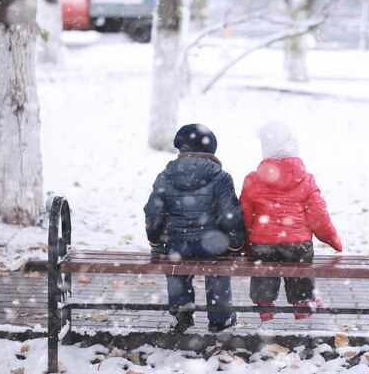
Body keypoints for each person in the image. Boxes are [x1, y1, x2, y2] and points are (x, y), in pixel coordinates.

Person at [144, 124, 245, 333]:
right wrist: (235, 245)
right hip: (213, 243)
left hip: (177, 242)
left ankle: (181, 314)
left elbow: (153, 213)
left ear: (181, 149)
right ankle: (220, 317)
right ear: (212, 150)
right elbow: (231, 216)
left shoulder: (165, 176)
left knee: (176, 270)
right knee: (218, 269)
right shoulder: (221, 177)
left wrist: (155, 240)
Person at [239, 121, 342, 322]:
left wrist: (248, 242)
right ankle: (302, 302)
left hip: (263, 243)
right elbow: (318, 215)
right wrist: (330, 237)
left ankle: (264, 304)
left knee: (264, 266)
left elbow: (245, 214)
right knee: (299, 265)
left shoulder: (252, 179)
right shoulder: (306, 179)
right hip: (297, 243)